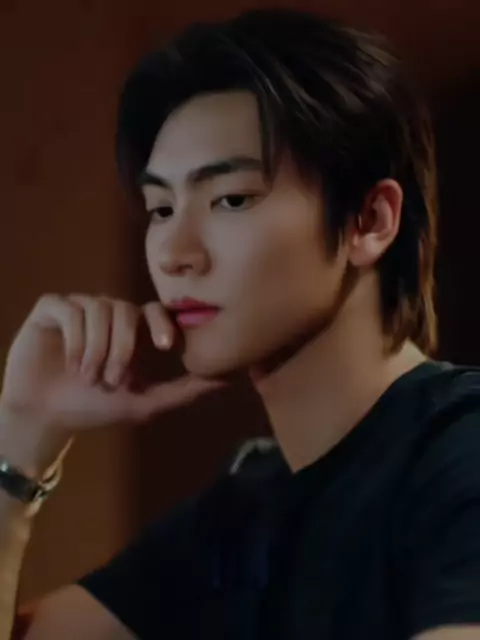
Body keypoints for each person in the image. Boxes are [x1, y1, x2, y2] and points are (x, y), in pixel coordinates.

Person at [1, 6, 480, 639]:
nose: (174, 254)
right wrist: (23, 433)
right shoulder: (240, 515)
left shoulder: (458, 450)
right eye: (161, 208)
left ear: (370, 221)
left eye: (231, 199)